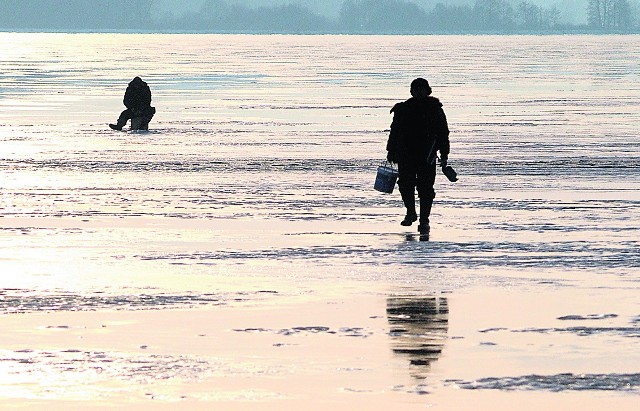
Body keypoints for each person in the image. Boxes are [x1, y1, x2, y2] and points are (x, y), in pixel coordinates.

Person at [386, 78, 450, 236]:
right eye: (416, 89)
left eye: (422, 89)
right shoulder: (402, 109)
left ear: (428, 90)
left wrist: (444, 153)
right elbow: (394, 132)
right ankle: (410, 212)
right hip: (405, 154)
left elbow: (443, 132)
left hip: (427, 155)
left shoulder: (435, 109)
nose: (419, 92)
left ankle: (424, 220)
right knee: (405, 185)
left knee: (426, 189)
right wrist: (390, 151)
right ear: (411, 91)